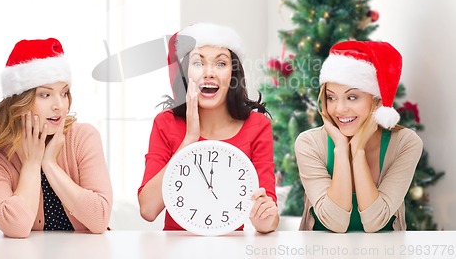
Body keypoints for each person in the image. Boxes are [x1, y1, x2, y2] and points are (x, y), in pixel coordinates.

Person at [138, 23, 279, 233]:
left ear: (233, 74)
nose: (209, 73)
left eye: (221, 64)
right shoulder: (165, 123)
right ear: (185, 74)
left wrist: (265, 219)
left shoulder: (257, 126)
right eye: (198, 63)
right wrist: (189, 141)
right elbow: (148, 210)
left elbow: (269, 216)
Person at [0, 38, 112, 238]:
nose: (59, 105)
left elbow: (99, 219)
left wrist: (49, 164)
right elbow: (17, 227)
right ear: (20, 101)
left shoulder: (82, 138)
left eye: (64, 93)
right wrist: (32, 164)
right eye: (45, 95)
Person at [295, 40, 423, 232]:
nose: (339, 109)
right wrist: (340, 147)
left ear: (378, 101)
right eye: (331, 97)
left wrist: (358, 150)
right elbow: (335, 223)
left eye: (352, 97)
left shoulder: (405, 143)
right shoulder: (309, 143)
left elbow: (374, 222)